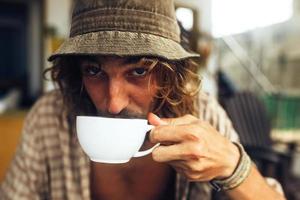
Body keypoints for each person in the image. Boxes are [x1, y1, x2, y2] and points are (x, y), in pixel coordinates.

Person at [0, 0, 285, 199]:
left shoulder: (201, 112)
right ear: (77, 72)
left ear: (168, 74)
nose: (114, 103)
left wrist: (234, 168)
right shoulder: (49, 118)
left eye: (138, 70)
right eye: (94, 70)